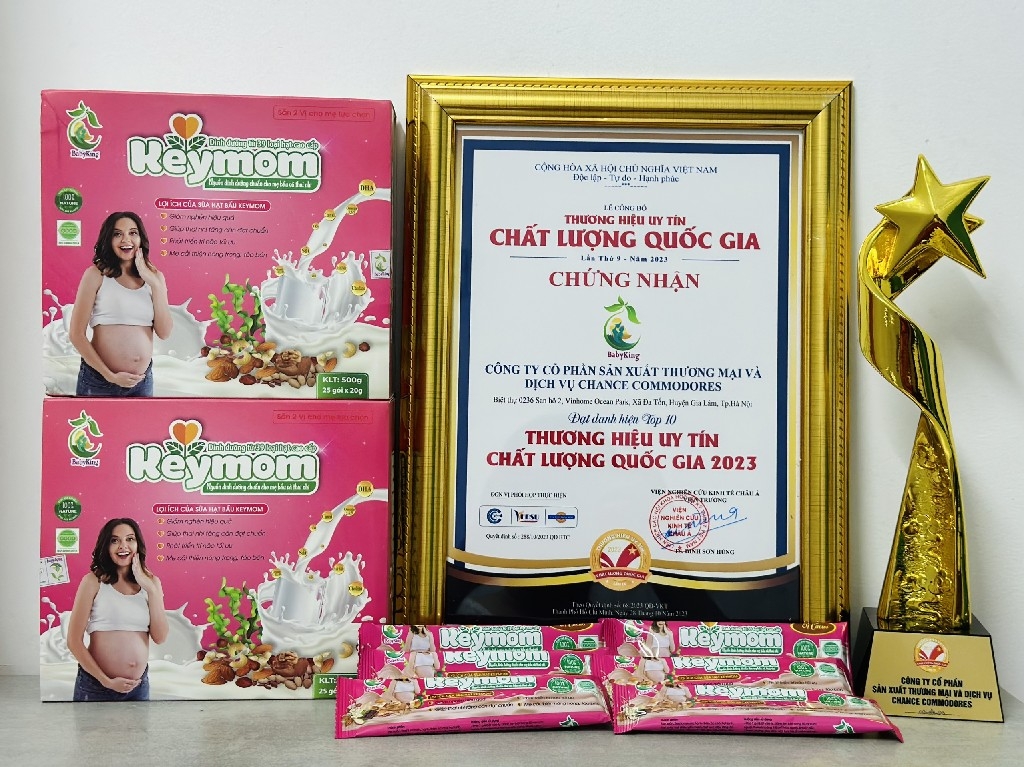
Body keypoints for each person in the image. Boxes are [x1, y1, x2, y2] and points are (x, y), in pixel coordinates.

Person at [70, 211, 172, 396]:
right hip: (99, 381)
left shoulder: (155, 277)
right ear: (109, 239)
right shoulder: (96, 275)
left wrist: (156, 285)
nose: (126, 239)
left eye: (133, 233)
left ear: (141, 238)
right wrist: (109, 376)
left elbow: (164, 333)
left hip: (141, 383)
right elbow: (76, 335)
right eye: (117, 234)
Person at [67, 518, 168, 701]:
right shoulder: (93, 581)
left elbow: (160, 637)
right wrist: (106, 681)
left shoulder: (152, 583)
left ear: (138, 544)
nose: (123, 546)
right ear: (106, 546)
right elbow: (73, 641)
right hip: (97, 686)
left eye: (130, 539)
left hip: (138, 687)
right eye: (115, 540)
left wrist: (152, 590)